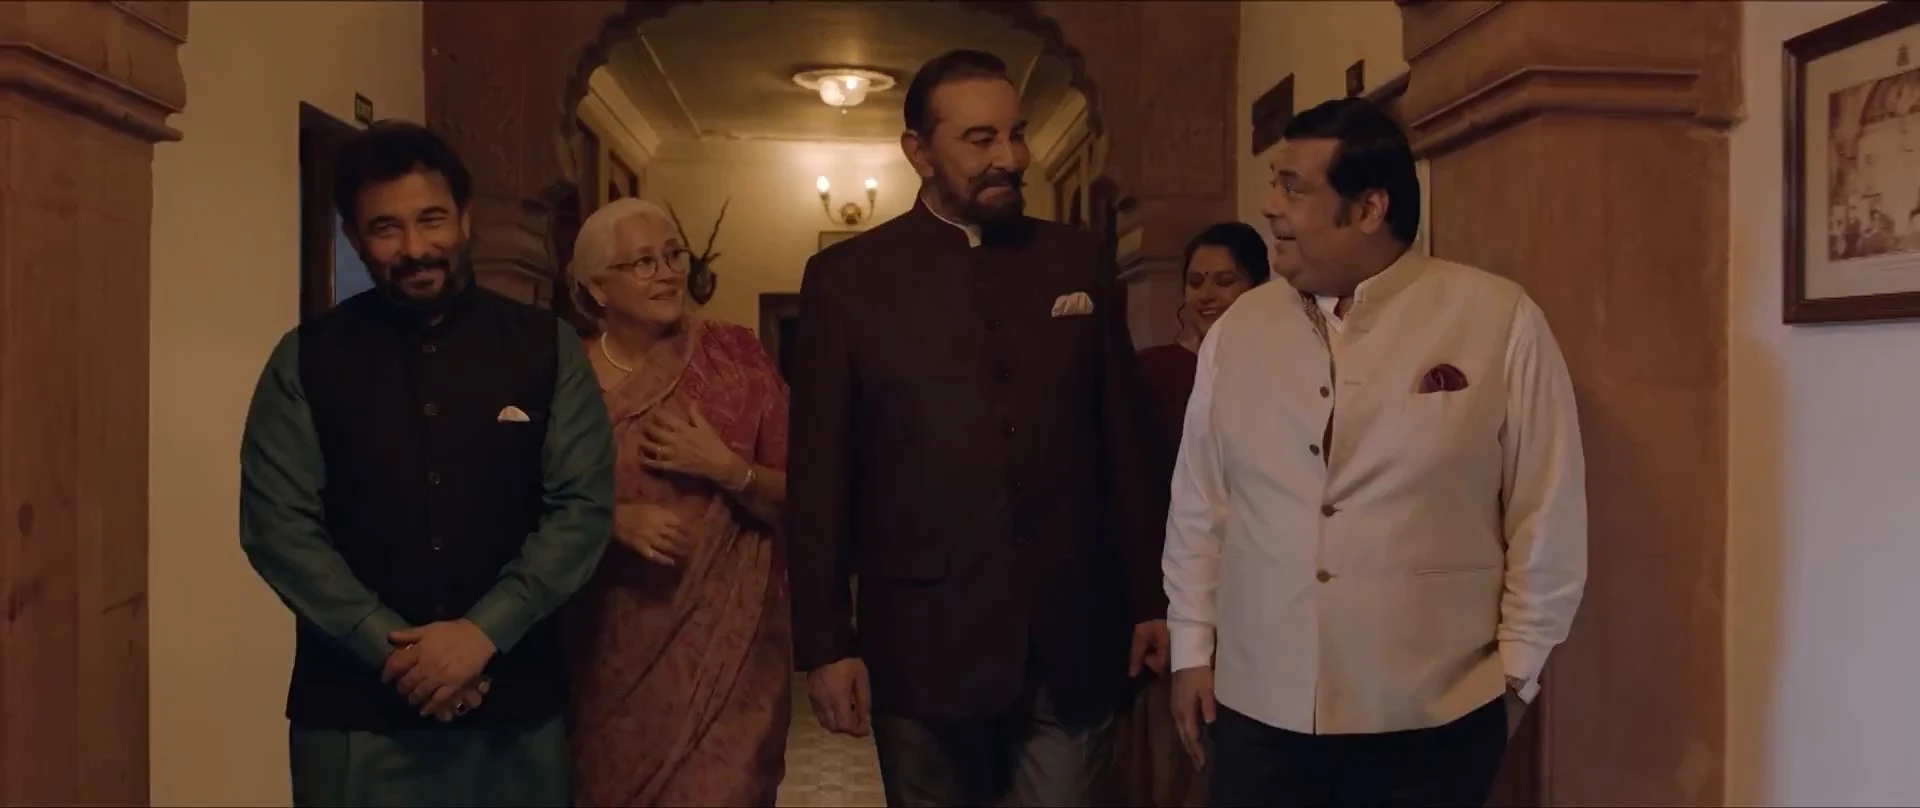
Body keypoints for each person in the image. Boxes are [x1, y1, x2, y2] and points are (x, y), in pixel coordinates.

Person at [1162, 97, 1588, 807]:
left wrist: (1517, 673)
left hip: (1432, 717)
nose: (1270, 206)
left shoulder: (1496, 318)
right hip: (1257, 708)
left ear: (1368, 208)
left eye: (1293, 188)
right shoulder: (1238, 331)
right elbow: (1201, 502)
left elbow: (1546, 508)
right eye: (1274, 184)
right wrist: (1191, 646)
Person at [787, 48, 1169, 807]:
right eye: (979, 139)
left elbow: (1122, 442)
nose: (1009, 158)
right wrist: (825, 644)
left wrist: (1151, 597)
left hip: (1071, 632)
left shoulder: (1074, 259)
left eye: (1015, 134)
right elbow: (821, 476)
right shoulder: (847, 281)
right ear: (918, 152)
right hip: (922, 642)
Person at [238, 120, 615, 807]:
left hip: (514, 715)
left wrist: (481, 634)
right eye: (386, 228)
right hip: (354, 719)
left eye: (431, 219)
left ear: (465, 219)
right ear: (354, 237)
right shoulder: (305, 359)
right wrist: (399, 653)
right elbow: (278, 530)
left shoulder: (547, 346)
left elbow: (582, 510)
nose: (414, 248)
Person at [562, 198, 793, 806]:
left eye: (672, 255)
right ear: (597, 287)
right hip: (606, 651)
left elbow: (809, 494)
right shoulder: (564, 377)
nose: (666, 273)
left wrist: (728, 469)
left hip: (731, 654)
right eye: (642, 262)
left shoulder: (735, 356)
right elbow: (521, 505)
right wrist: (610, 520)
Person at [1114, 222, 1270, 808]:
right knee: (1177, 775)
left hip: (1262, 601)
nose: (1208, 294)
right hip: (1174, 596)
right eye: (1197, 281)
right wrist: (1151, 606)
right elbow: (1134, 493)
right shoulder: (1151, 372)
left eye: (1226, 280)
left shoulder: (1284, 372)